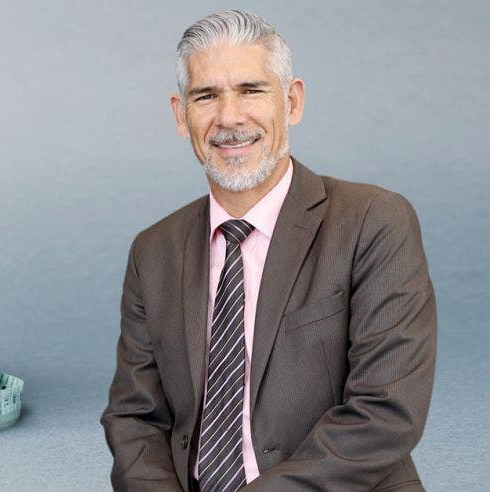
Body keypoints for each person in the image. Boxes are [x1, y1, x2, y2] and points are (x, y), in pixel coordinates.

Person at [100, 10, 436, 492]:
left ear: (292, 101)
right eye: (206, 96)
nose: (229, 118)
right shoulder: (153, 251)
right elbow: (135, 418)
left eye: (251, 90)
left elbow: (386, 412)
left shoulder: (373, 221)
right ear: (181, 115)